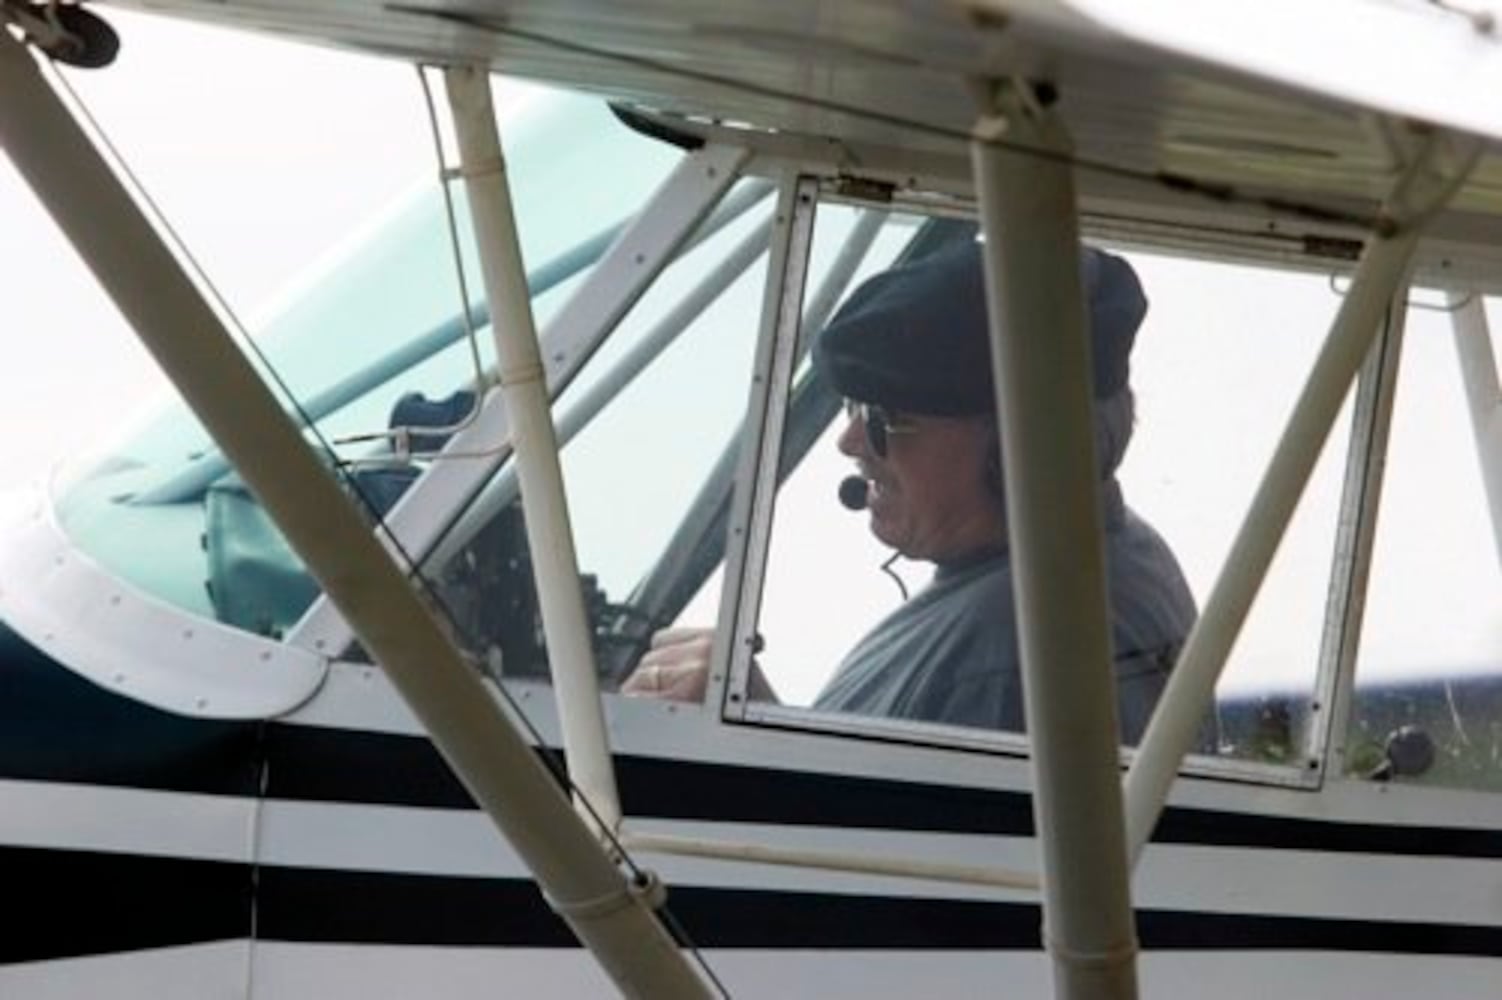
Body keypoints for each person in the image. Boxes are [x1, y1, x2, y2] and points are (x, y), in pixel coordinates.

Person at [625, 239, 1197, 745]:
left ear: (1023, 446)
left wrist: (754, 740)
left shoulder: (1016, 660)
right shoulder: (1097, 559)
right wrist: (767, 723)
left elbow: (908, 864)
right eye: (852, 407)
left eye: (886, 416)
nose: (851, 442)